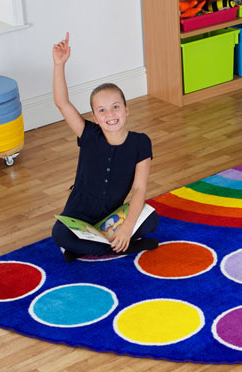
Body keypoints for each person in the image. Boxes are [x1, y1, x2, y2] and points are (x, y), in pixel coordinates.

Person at [51, 33, 159, 262]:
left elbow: (139, 189)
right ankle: (121, 248)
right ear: (95, 116)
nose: (110, 114)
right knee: (59, 233)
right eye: (102, 110)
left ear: (126, 110)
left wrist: (128, 227)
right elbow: (62, 103)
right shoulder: (88, 133)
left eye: (115, 107)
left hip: (112, 218)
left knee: (151, 219)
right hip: (79, 215)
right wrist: (59, 64)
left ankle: (93, 246)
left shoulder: (141, 143)